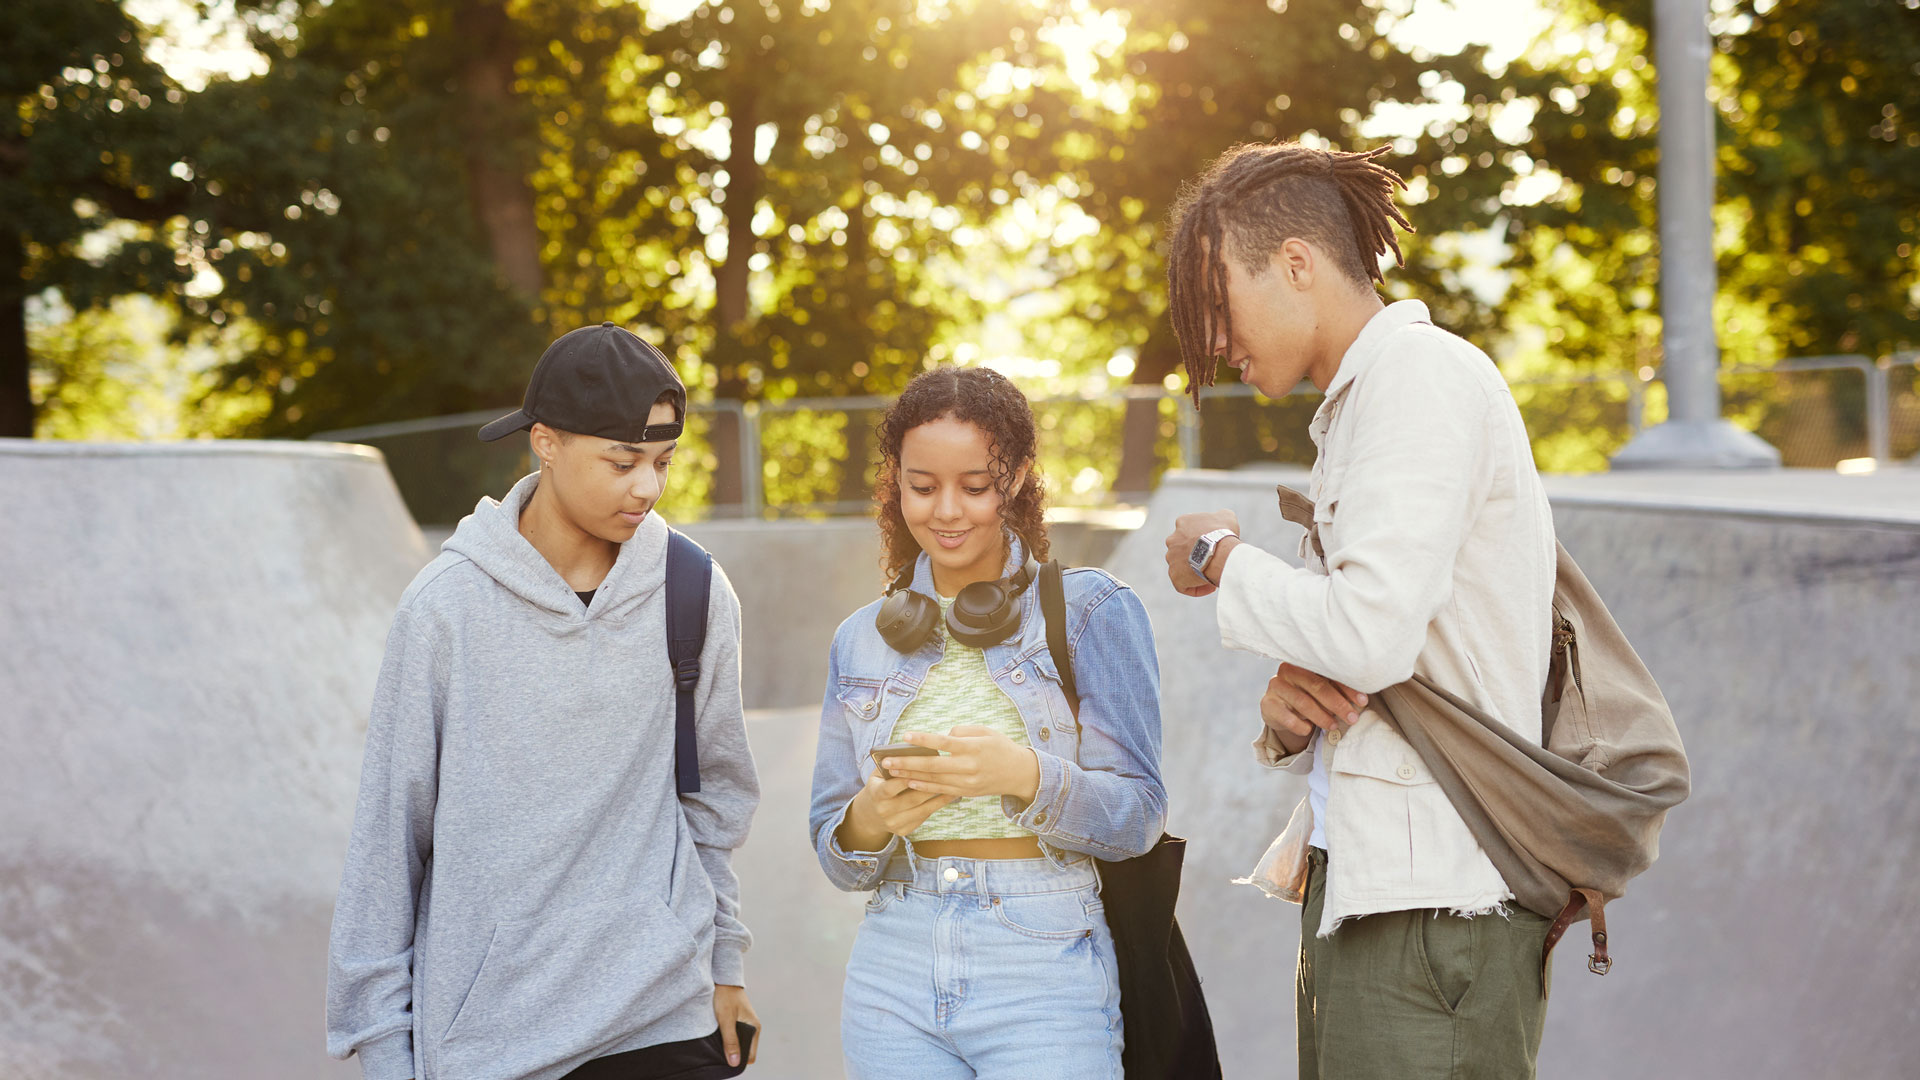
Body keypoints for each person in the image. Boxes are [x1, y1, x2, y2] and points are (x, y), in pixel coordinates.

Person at [1160, 143, 1561, 1078]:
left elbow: (1371, 632)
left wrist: (1222, 559)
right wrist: (1287, 708)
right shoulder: (1364, 404)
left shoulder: (1420, 379)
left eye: (1219, 306)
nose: (1214, 342)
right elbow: (1374, 642)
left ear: (1297, 264)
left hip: (1434, 916)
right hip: (1375, 892)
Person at [326, 323, 762, 1080]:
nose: (647, 487)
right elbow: (387, 844)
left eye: (662, 462)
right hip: (495, 1041)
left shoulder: (691, 592)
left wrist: (724, 964)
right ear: (546, 442)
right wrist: (383, 1053)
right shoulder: (446, 610)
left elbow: (711, 802)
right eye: (622, 462)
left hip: (661, 1017)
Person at [807, 367, 1164, 1079]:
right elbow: (834, 846)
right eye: (922, 485)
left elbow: (1140, 815)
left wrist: (1024, 776)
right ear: (895, 481)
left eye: (975, 486)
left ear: (1018, 475)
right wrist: (872, 817)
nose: (947, 511)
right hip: (895, 959)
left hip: (1045, 958)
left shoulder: (1093, 610)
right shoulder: (859, 638)